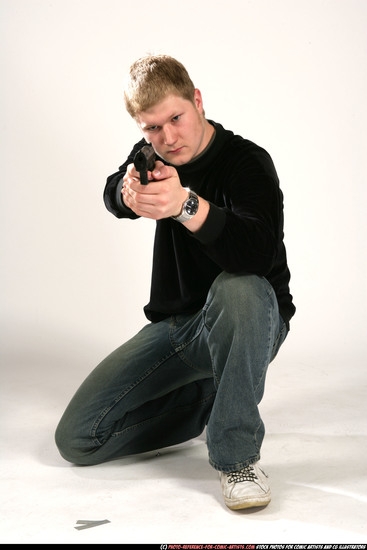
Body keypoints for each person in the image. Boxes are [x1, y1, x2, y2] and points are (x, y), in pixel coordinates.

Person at [55, 54, 295, 511]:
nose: (167, 137)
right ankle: (210, 403)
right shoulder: (154, 154)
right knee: (78, 439)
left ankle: (237, 458)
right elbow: (112, 192)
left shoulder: (247, 162)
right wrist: (127, 192)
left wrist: (186, 205)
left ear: (197, 101)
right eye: (151, 128)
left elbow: (255, 255)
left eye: (175, 119)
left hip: (253, 320)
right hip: (180, 330)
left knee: (238, 287)